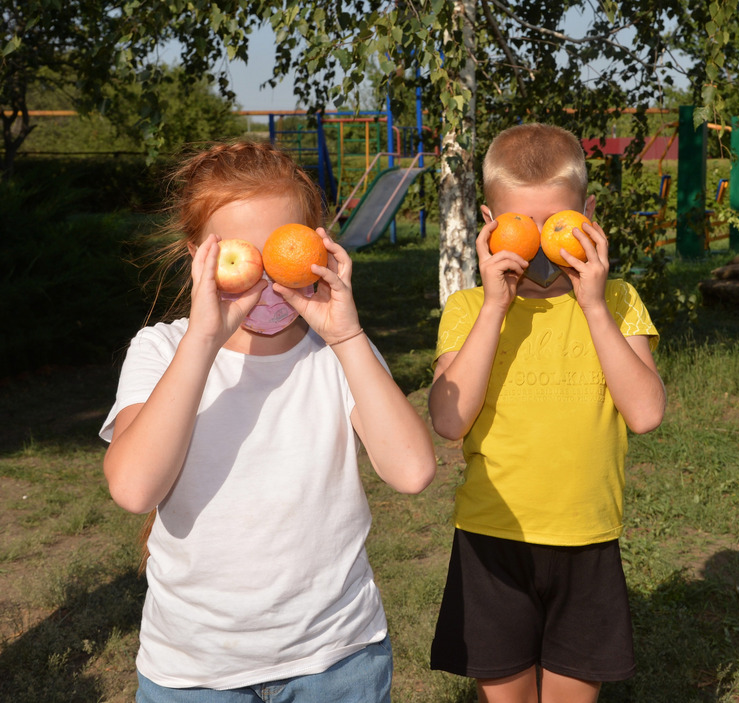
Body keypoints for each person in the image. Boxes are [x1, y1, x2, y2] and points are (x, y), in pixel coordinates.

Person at [99, 140, 437, 702]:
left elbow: (412, 472)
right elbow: (134, 488)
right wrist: (205, 340)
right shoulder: (163, 351)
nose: (266, 277)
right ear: (199, 258)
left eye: (284, 250)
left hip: (337, 659)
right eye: (241, 254)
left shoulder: (340, 352)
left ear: (320, 252)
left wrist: (348, 336)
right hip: (195, 671)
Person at [427, 123, 666, 703]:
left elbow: (646, 413)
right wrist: (493, 309)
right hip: (493, 537)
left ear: (587, 214)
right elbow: (448, 420)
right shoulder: (467, 309)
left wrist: (593, 307)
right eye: (519, 227)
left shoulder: (618, 301)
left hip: (586, 539)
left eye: (555, 224)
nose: (536, 245)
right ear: (488, 223)